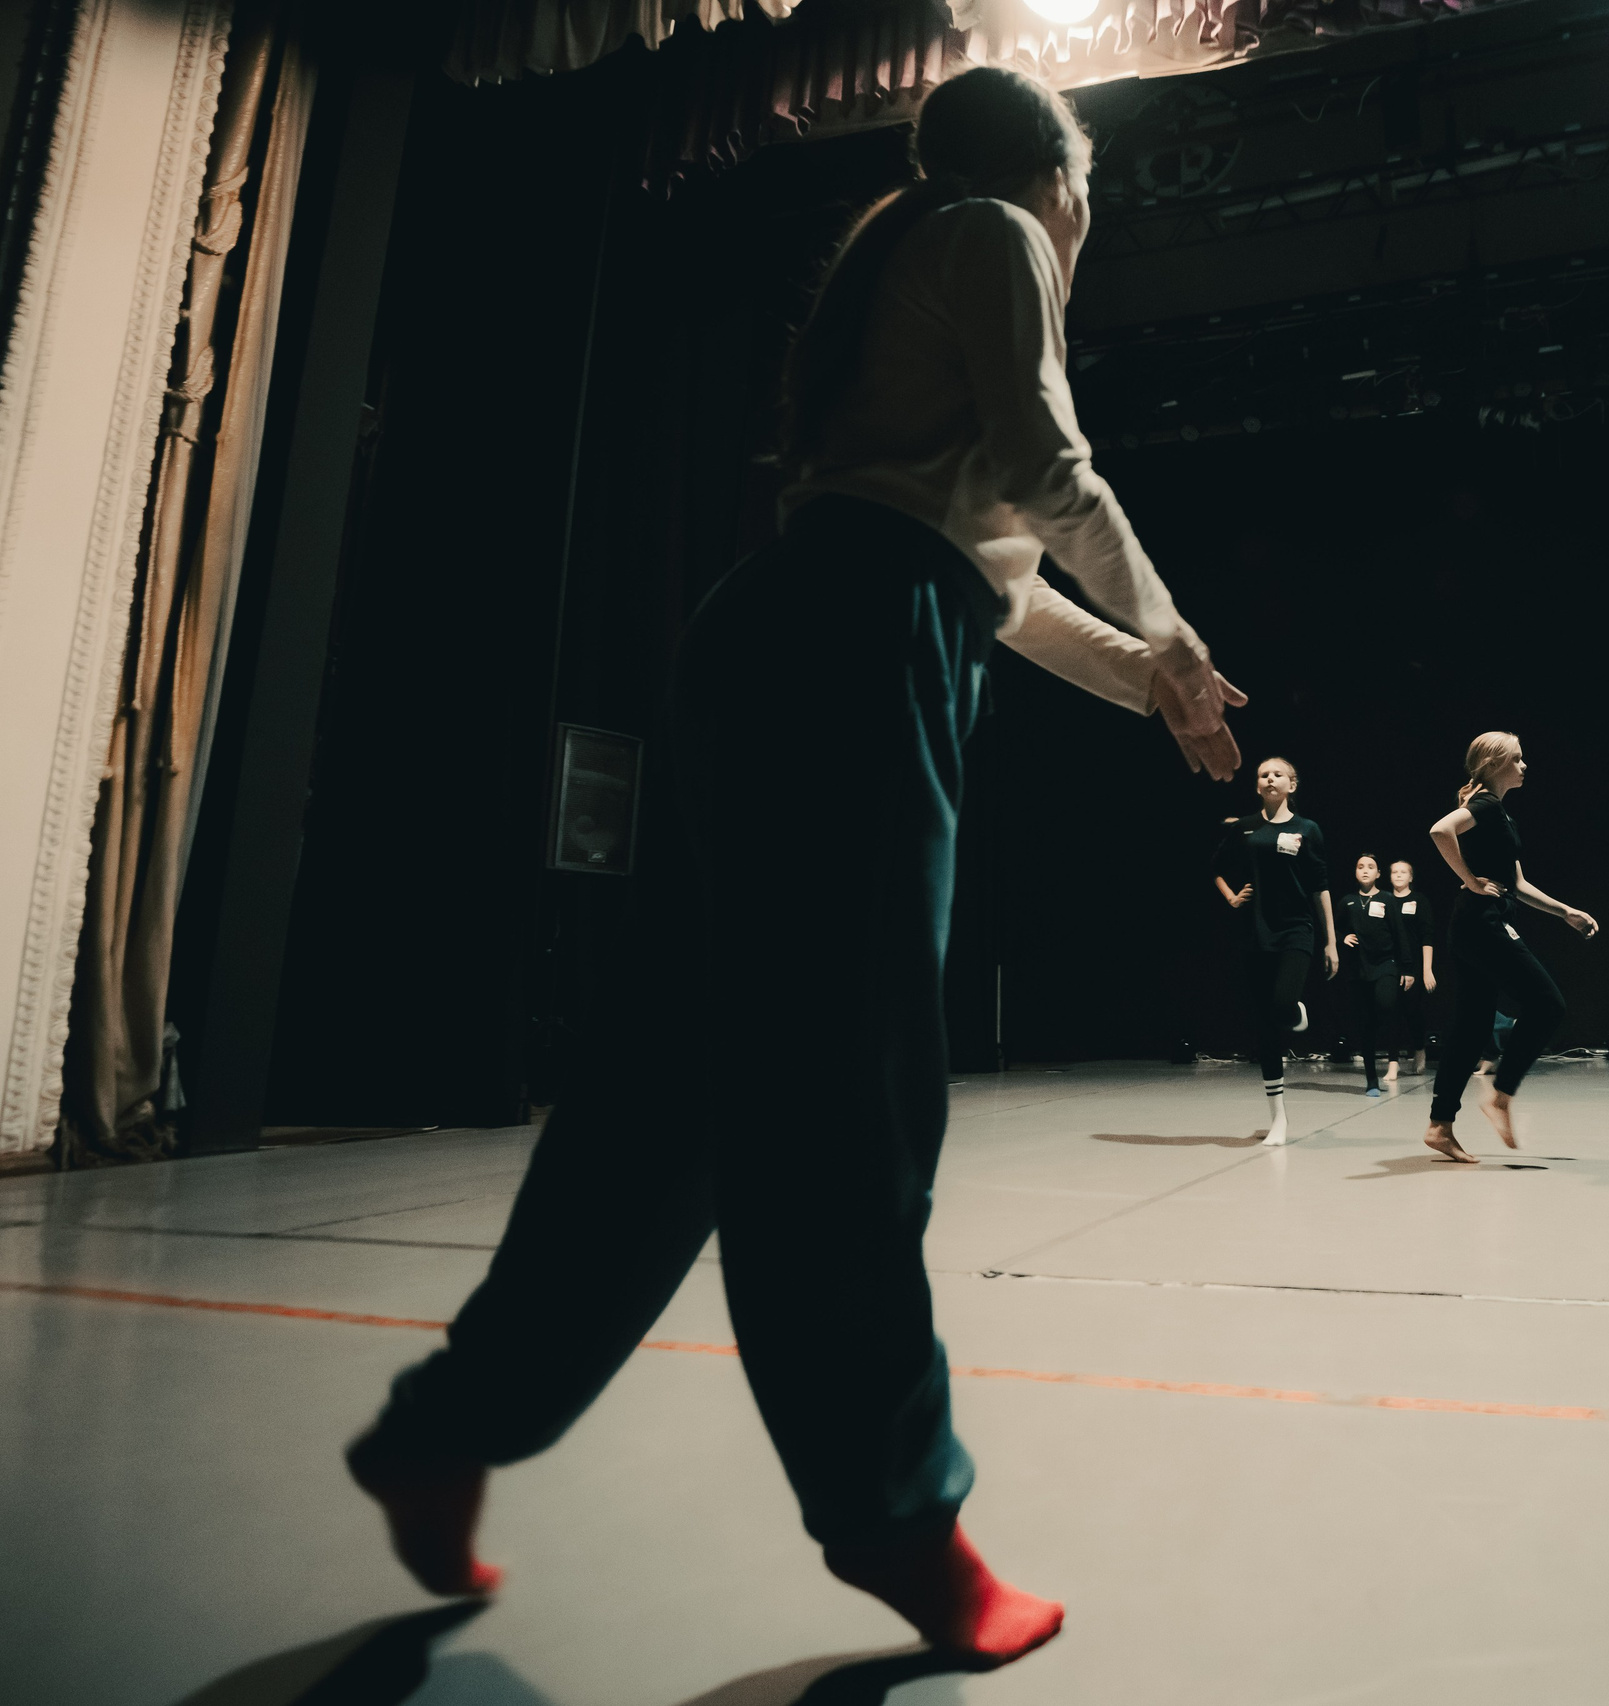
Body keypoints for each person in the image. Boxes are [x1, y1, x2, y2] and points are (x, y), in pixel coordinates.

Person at [342, 67, 1246, 1673]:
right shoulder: (998, 232)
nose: (1090, 218)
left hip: (792, 639)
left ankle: (448, 1423)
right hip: (850, 659)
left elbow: (1007, 588)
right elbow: (1053, 465)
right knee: (849, 1101)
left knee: (663, 1102)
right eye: (1090, 191)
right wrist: (1176, 634)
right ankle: (900, 1517)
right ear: (1060, 178)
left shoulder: (910, 263)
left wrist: (1151, 683)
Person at [1421, 732, 1597, 1163]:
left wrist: (1565, 912)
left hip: (1471, 925)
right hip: (1482, 924)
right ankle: (1500, 1098)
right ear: (1495, 764)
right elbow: (1440, 830)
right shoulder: (1484, 806)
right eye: (1517, 760)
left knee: (1471, 1025)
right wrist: (1470, 881)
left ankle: (1440, 1126)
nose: (1524, 766)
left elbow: (1517, 884)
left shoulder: (1497, 813)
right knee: (1548, 1004)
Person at [1213, 757, 1335, 1144]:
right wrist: (1233, 898)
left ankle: (1294, 1010)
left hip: (1297, 929)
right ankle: (1278, 1119)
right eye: (1263, 774)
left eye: (1277, 774)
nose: (1269, 778)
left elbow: (1320, 886)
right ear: (1257, 786)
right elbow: (1216, 867)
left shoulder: (1307, 829)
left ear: (1292, 785)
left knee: (1283, 1003)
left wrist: (1331, 940)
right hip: (1256, 932)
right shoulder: (1246, 827)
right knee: (1265, 1027)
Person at [1338, 855, 1405, 1095]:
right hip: (1358, 969)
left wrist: (1407, 969)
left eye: (1370, 867)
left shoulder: (1387, 899)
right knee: (1365, 1025)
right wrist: (1341, 937)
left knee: (1385, 1004)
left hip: (1386, 964)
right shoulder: (1348, 901)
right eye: (1360, 867)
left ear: (1378, 874)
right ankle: (1371, 1081)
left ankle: (1386, 1044)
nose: (1365, 870)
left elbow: (1400, 934)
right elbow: (1335, 928)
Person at [1385, 858, 1434, 1080]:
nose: (1398, 875)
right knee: (1390, 1013)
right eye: (1394, 872)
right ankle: (1393, 1063)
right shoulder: (1384, 901)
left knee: (1412, 1012)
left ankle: (1419, 1049)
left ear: (1411, 877)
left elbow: (1427, 937)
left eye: (1403, 872)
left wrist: (1426, 970)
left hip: (1414, 965)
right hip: (1389, 965)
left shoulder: (1419, 900)